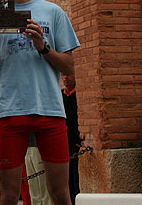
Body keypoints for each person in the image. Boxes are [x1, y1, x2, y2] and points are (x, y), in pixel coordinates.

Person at [0, 0, 80, 205]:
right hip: (11, 111)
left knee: (61, 193)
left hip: (49, 110)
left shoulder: (53, 12)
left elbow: (69, 67)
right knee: (9, 195)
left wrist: (42, 46)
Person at [62, 74, 81, 205]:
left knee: (77, 181)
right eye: (63, 75)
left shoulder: (80, 96)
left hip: (77, 144)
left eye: (68, 74)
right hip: (63, 144)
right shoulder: (60, 95)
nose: (65, 78)